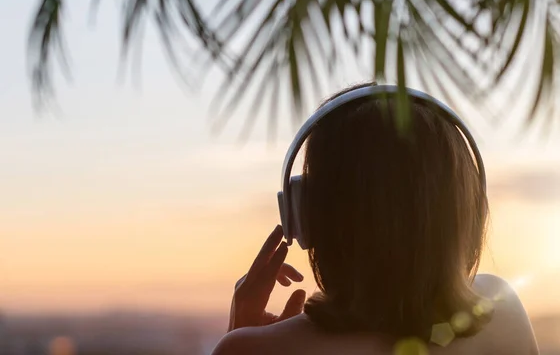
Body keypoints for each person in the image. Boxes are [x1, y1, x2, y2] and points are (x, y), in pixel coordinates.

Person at [212, 83, 539, 355]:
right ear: (469, 215)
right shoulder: (504, 312)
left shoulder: (251, 349)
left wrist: (241, 333)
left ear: (307, 217)